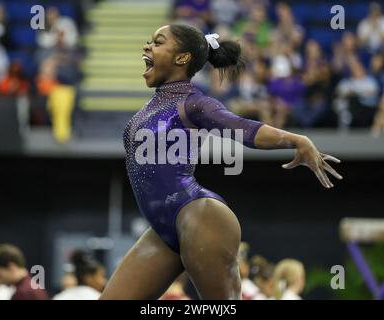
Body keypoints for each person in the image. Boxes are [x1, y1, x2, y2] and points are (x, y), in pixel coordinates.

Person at [100, 23, 342, 300]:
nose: (147, 46)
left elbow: (244, 129)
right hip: (162, 229)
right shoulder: (151, 105)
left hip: (200, 218)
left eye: (157, 42)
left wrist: (297, 140)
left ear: (182, 57)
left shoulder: (193, 102)